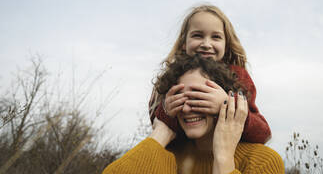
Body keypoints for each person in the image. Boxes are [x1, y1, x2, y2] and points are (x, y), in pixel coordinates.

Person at [103, 54, 284, 173]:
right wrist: (162, 130)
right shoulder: (166, 156)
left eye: (199, 97)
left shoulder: (262, 162)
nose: (188, 108)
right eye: (181, 97)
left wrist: (223, 159)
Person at [149, 4, 271, 144]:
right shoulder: (172, 77)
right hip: (184, 157)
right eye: (197, 35)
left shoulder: (238, 77)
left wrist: (226, 105)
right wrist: (166, 111)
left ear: (226, 44)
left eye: (216, 37)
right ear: (184, 42)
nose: (207, 44)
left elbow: (263, 133)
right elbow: (157, 126)